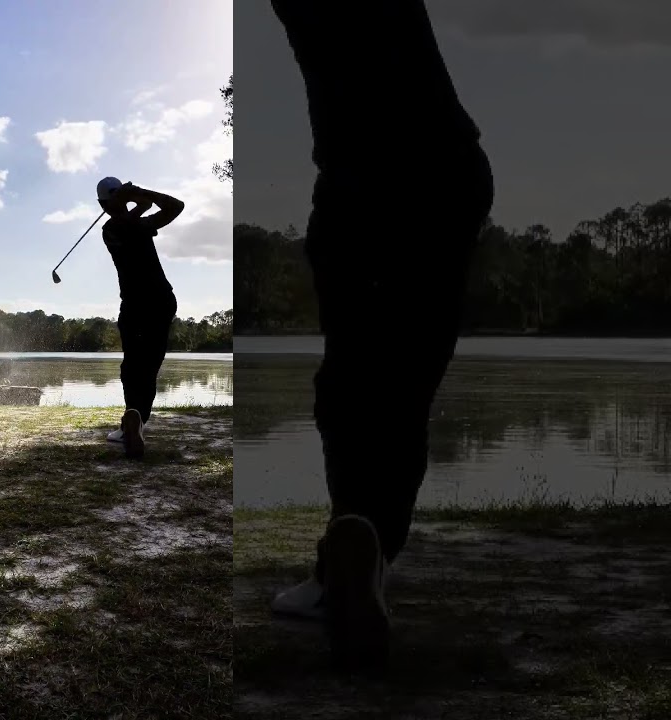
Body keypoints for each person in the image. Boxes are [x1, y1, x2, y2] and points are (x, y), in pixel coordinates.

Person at [266, 0, 495, 668]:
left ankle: (350, 541)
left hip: (360, 181)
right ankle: (362, 539)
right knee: (404, 384)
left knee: (348, 381)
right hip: (448, 168)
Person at [96, 177, 184, 459]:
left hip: (134, 305)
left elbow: (144, 208)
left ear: (102, 204)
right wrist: (138, 193)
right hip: (160, 300)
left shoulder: (110, 228)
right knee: (148, 367)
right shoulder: (134, 224)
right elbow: (174, 206)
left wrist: (132, 197)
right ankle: (135, 419)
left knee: (132, 365)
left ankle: (132, 417)